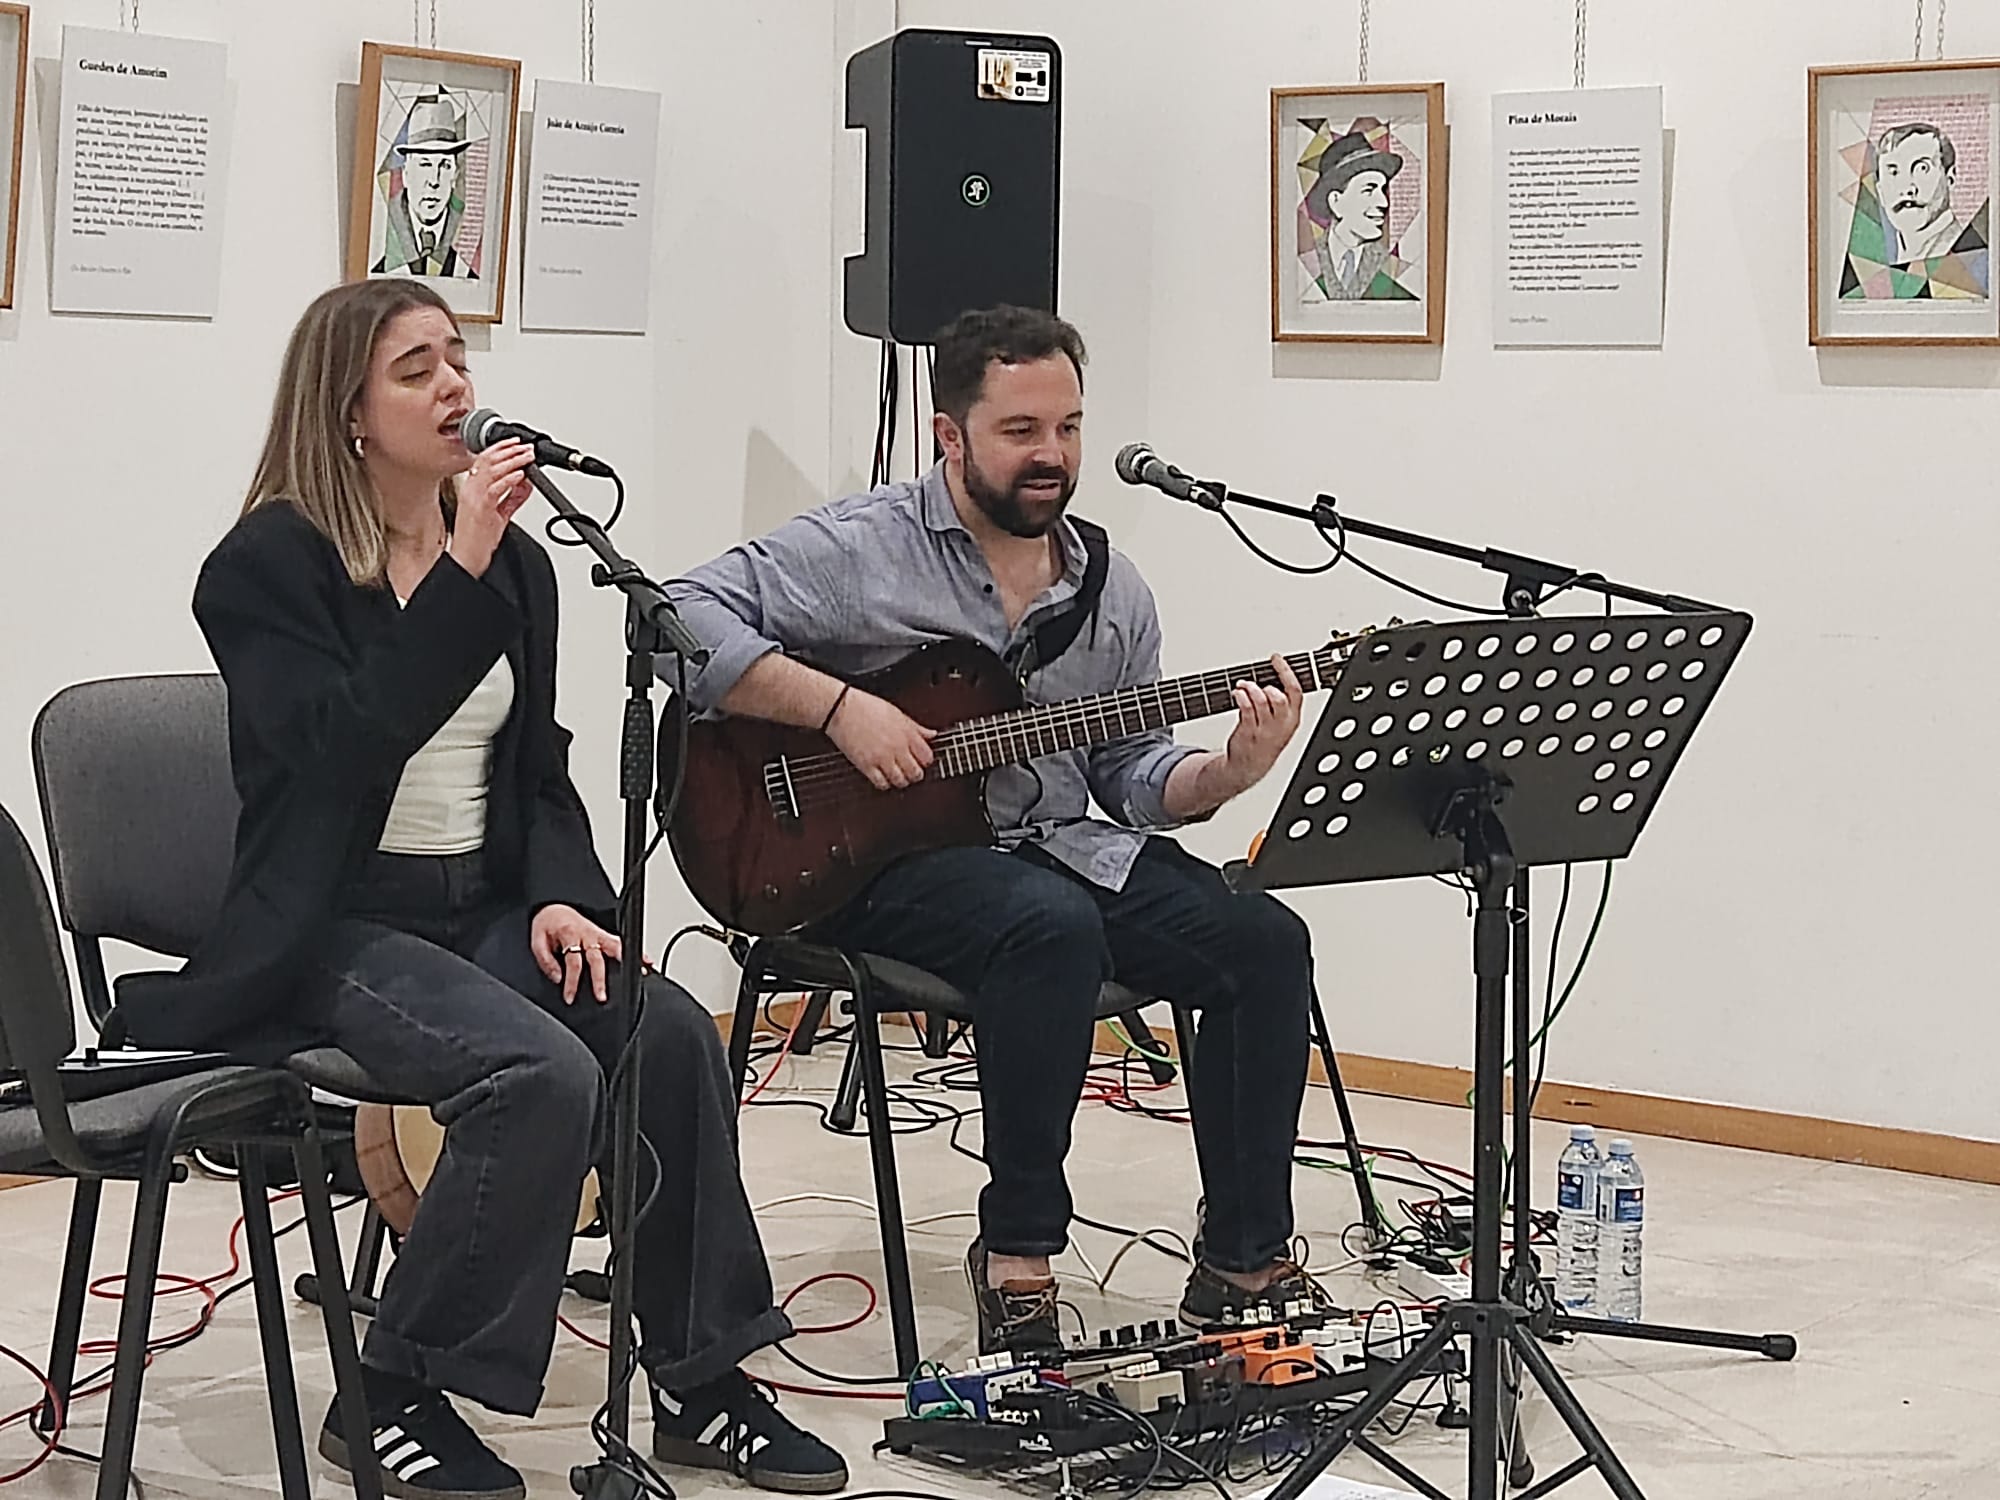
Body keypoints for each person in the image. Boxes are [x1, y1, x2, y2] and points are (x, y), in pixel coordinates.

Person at [114, 280, 845, 1500]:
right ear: (347, 413)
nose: (455, 385)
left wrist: (563, 889)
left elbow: (539, 765)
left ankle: (702, 1378)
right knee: (537, 1072)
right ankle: (393, 1385)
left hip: (486, 903)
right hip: (334, 922)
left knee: (664, 1033)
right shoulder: (266, 567)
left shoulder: (515, 571)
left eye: (458, 358)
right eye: (416, 369)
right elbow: (349, 747)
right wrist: (456, 567)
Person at [666, 304, 1326, 1355]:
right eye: (1021, 431)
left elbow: (1128, 773)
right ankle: (1017, 1249)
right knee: (1047, 927)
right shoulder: (859, 550)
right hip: (875, 856)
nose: (1051, 456)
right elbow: (673, 616)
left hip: (1058, 841)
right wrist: (838, 710)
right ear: (949, 434)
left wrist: (1224, 774)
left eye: (1066, 428)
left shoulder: (1109, 589)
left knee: (1263, 939)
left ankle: (1242, 1259)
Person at [372, 90, 478, 279]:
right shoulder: (385, 255)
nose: (434, 181)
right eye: (425, 164)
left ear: (455, 176)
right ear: (405, 174)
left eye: (444, 166)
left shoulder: (465, 261)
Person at [1306, 129, 1404, 300]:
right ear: (1336, 202)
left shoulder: (1386, 263)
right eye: (1368, 190)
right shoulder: (1308, 259)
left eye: (1382, 190)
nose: (1383, 202)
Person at [1877, 121, 1972, 267]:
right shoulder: (1885, 257)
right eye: (1893, 172)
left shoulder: (1967, 253)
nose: (1906, 188)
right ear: (1880, 191)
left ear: (1950, 178)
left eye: (1922, 168)